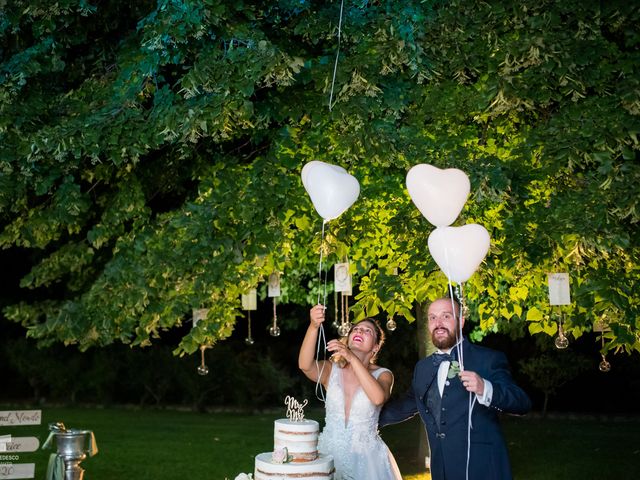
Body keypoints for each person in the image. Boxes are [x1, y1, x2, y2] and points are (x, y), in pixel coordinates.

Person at [379, 297, 532, 480]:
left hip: (482, 468)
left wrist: (485, 388)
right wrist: (366, 419)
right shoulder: (423, 367)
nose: (438, 323)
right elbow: (409, 404)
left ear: (461, 321)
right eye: (433, 318)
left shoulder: (487, 358)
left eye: (446, 316)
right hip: (441, 469)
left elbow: (522, 403)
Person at [299, 304, 402, 480]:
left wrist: (351, 357)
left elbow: (378, 398)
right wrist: (313, 326)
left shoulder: (383, 374)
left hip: (367, 460)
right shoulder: (332, 370)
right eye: (356, 329)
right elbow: (305, 365)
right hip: (328, 453)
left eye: (367, 331)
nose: (360, 332)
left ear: (376, 347)